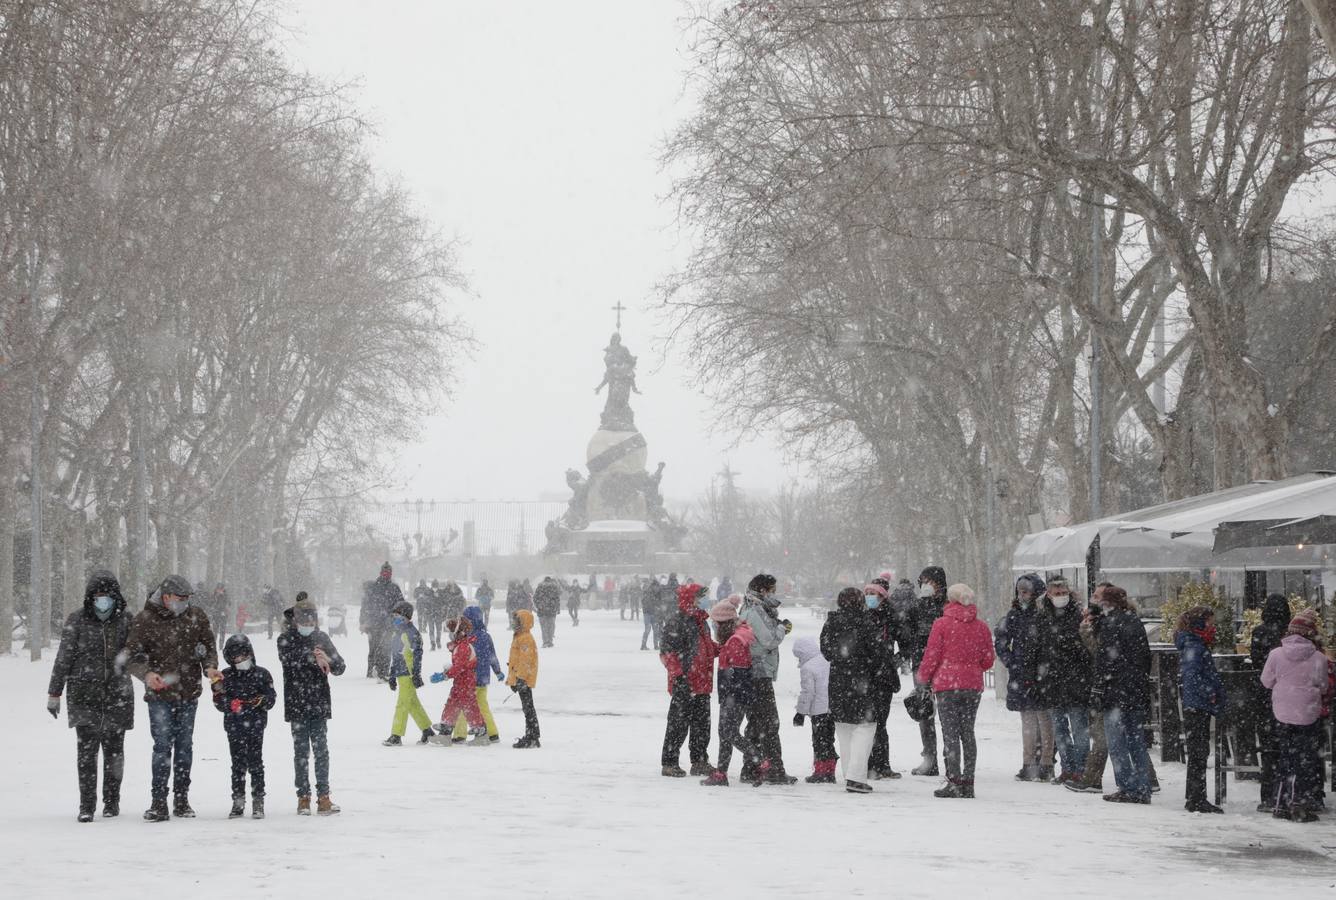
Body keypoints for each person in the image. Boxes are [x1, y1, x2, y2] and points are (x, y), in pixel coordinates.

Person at [122, 574, 220, 822]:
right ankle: (158, 801)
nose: (184, 602)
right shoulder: (144, 620)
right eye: (180, 598)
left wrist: (209, 667)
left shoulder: (196, 616)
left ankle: (181, 798)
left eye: (187, 598)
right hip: (159, 695)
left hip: (188, 692)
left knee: (185, 746)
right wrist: (147, 674)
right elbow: (130, 657)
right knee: (162, 746)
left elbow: (208, 646)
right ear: (166, 597)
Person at [46, 570, 135, 822]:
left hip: (118, 695)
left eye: (107, 595)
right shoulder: (77, 620)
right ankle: (86, 805)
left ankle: (111, 801)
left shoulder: (126, 620)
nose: (102, 599)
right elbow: (63, 657)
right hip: (83, 695)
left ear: (116, 596)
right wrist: (55, 692)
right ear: (90, 597)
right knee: (86, 753)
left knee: (114, 752)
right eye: (97, 595)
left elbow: (139, 654)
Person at [916, 583, 995, 798]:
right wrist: (972, 667)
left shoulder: (941, 624)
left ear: (950, 601)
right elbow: (988, 660)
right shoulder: (981, 627)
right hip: (972, 686)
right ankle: (968, 782)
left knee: (951, 734)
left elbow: (932, 655)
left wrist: (924, 677)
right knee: (968, 732)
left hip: (947, 686)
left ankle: (954, 781)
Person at [276, 593, 346, 816]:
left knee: (321, 751)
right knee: (301, 752)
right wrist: (312, 657)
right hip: (296, 703)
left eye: (311, 621)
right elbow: (289, 660)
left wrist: (328, 658)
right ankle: (303, 797)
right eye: (304, 621)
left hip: (318, 703)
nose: (308, 625)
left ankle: (324, 796)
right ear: (295, 620)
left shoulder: (322, 638)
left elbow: (340, 667)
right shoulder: (285, 639)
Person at [820, 587, 894, 794]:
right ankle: (856, 777)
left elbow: (825, 650)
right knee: (865, 727)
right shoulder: (866, 622)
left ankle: (849, 774)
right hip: (862, 682)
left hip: (838, 682)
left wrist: (842, 658)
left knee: (843, 728)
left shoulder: (832, 622)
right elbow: (878, 652)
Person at [1261, 608, 1331, 822]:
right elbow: (1324, 686)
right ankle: (1299, 803)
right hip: (1308, 713)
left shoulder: (1275, 654)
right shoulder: (1319, 658)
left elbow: (1266, 681)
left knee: (1285, 758)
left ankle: (1280, 803)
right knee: (1305, 760)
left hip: (1282, 711)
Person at [1092, 585, 1154, 804]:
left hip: (1116, 692)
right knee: (1136, 742)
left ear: (1107, 603)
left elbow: (1105, 660)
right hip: (1134, 691)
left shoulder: (1110, 624)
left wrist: (1099, 687)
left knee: (1117, 742)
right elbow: (1144, 658)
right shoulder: (1134, 622)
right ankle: (1143, 787)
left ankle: (1127, 786)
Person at [995, 573, 1055, 781]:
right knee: (1029, 721)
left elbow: (1048, 646)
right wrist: (1012, 661)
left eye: (1027, 590)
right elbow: (1001, 640)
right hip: (1022, 674)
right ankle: (1029, 763)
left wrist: (1041, 668)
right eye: (1020, 590)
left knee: (1044, 720)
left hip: (1041, 675)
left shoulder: (1044, 615)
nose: (1022, 594)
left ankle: (1046, 762)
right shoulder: (1014, 615)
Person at [211, 634, 276, 818]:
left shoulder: (262, 674)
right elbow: (218, 699)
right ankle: (238, 800)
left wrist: (261, 701)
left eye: (243, 655)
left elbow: (271, 698)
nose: (240, 660)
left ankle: (258, 800)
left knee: (256, 763)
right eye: (236, 657)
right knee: (238, 764)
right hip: (234, 726)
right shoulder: (226, 676)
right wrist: (228, 703)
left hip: (256, 725)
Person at [740, 573, 796, 784]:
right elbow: (768, 640)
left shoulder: (754, 608)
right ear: (763, 590)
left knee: (755, 723)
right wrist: (782, 628)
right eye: (772, 589)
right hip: (758, 672)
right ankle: (774, 768)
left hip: (754, 672)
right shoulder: (755, 610)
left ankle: (752, 767)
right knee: (769, 724)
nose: (774, 593)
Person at [659, 583, 718, 777]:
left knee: (702, 725)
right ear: (691, 599)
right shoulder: (678, 621)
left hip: (702, 682)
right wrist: (678, 676)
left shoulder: (701, 621)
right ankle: (669, 762)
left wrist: (727, 648)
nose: (705, 600)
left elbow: (707, 646)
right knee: (678, 724)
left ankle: (699, 760)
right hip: (685, 681)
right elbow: (667, 652)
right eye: (701, 596)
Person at [1039, 576, 1093, 785]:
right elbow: (1040, 648)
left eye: (1063, 593)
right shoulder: (1043, 616)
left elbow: (1085, 648)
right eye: (1056, 593)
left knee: (1079, 729)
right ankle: (1067, 768)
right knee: (1060, 730)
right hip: (1053, 682)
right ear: (1049, 594)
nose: (1060, 597)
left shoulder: (1078, 615)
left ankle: (1080, 769)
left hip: (1076, 681)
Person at [1174, 605, 1227, 814]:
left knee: (1198, 751)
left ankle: (1194, 796)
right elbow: (1196, 677)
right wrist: (1212, 694)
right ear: (1199, 624)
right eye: (1210, 623)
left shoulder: (1193, 645)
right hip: (1198, 705)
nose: (1213, 628)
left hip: (1195, 704)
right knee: (1199, 752)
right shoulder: (1196, 647)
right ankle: (1197, 797)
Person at [701, 601, 759, 786]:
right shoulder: (735, 638)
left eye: (715, 623)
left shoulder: (735, 641)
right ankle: (721, 773)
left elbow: (739, 672)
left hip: (734, 696)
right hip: (734, 695)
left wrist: (732, 697)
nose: (714, 626)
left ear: (722, 623)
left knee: (729, 732)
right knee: (725, 733)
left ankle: (761, 760)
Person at [1251, 593, 1292, 811]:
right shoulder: (1290, 633)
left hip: (1266, 695)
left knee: (1268, 748)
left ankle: (1267, 795)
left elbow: (1257, 661)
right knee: (1288, 746)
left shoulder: (1259, 632)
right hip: (1290, 696)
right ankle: (1288, 794)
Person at [863, 580, 905, 780]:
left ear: (882, 597)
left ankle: (882, 764)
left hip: (884, 678)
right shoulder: (861, 615)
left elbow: (905, 642)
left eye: (874, 593)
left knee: (880, 722)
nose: (869, 596)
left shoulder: (891, 617)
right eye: (867, 592)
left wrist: (894, 661)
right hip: (864, 677)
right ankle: (868, 764)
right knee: (866, 722)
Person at [908, 566, 948, 776]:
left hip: (944, 666)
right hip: (921, 664)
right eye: (923, 581)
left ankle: (950, 758)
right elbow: (909, 632)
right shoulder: (917, 606)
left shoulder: (948, 606)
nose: (926, 585)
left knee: (947, 714)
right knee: (924, 712)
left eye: (930, 581)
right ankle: (929, 758)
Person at [381, 601, 435, 747]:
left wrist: (416, 673)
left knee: (402, 704)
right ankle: (427, 731)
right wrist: (392, 675)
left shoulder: (412, 633)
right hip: (401, 674)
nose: (395, 618)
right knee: (412, 704)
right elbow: (396, 656)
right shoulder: (397, 633)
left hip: (409, 674)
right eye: (394, 615)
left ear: (405, 616)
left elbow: (417, 654)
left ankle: (396, 735)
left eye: (397, 615)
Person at [432, 616, 486, 743]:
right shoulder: (460, 645)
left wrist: (444, 675)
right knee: (452, 705)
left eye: (451, 631)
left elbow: (460, 666)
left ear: (459, 632)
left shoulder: (463, 647)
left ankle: (480, 732)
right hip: (461, 681)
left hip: (466, 682)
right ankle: (445, 730)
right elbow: (460, 665)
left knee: (469, 707)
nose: (450, 635)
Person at [792, 635, 836, 784]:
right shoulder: (826, 661)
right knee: (829, 740)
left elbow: (808, 692)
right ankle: (830, 771)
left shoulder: (807, 668)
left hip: (818, 711)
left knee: (819, 741)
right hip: (831, 709)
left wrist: (800, 712)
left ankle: (821, 772)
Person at [464, 606, 505, 744]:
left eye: (467, 620)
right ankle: (492, 733)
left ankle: (459, 734)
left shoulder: (469, 637)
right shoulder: (485, 636)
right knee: (482, 705)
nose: (464, 623)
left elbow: (465, 657)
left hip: (471, 677)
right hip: (483, 677)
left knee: (466, 705)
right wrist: (497, 671)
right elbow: (492, 656)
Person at [506, 609, 541, 748]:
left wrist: (520, 679)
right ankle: (532, 735)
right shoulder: (519, 636)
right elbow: (516, 660)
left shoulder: (525, 638)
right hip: (521, 677)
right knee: (527, 708)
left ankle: (532, 736)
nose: (514, 623)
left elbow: (526, 661)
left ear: (523, 622)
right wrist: (512, 679)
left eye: (517, 621)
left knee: (528, 709)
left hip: (524, 679)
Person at [361, 563, 402, 680]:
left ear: (391, 574)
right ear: (380, 573)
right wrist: (363, 621)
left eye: (388, 572)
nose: (386, 575)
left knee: (387, 647)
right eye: (384, 572)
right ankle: (371, 670)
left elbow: (401, 604)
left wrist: (398, 617)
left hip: (389, 623)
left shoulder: (394, 588)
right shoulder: (372, 587)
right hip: (373, 623)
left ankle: (384, 670)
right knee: (373, 647)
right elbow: (365, 605)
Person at [534, 575, 562, 648]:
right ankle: (550, 641)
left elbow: (535, 598)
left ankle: (545, 641)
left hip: (542, 610)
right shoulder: (554, 588)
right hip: (552, 610)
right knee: (551, 626)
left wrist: (539, 606)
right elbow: (557, 599)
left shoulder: (539, 587)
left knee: (544, 627)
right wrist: (557, 609)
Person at [421, 580, 446, 652]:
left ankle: (438, 641)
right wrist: (432, 598)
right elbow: (425, 603)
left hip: (438, 614)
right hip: (430, 614)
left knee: (439, 630)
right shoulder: (428, 592)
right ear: (431, 587)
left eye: (436, 587)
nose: (435, 588)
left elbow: (444, 603)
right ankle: (433, 644)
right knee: (431, 630)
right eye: (434, 587)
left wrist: (438, 598)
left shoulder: (441, 593)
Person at [640, 575, 659, 650]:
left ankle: (655, 645)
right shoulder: (649, 592)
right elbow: (646, 602)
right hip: (648, 613)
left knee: (655, 630)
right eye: (656, 587)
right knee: (649, 629)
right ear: (654, 586)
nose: (657, 589)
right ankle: (644, 645)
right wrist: (655, 607)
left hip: (652, 613)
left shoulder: (655, 593)